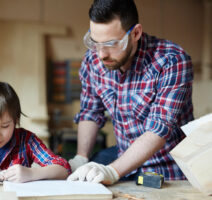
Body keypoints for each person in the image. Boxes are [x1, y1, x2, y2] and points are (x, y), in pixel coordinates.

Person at [67, 0, 193, 185]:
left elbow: (158, 129)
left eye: (111, 44)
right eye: (95, 43)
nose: (102, 54)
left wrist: (111, 171)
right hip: (122, 161)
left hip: (167, 171)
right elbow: (90, 112)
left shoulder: (171, 61)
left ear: (135, 33)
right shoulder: (93, 61)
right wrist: (81, 158)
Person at [0, 80, 71, 182]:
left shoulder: (27, 140)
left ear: (16, 120)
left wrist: (31, 173)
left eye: (5, 126)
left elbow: (64, 168)